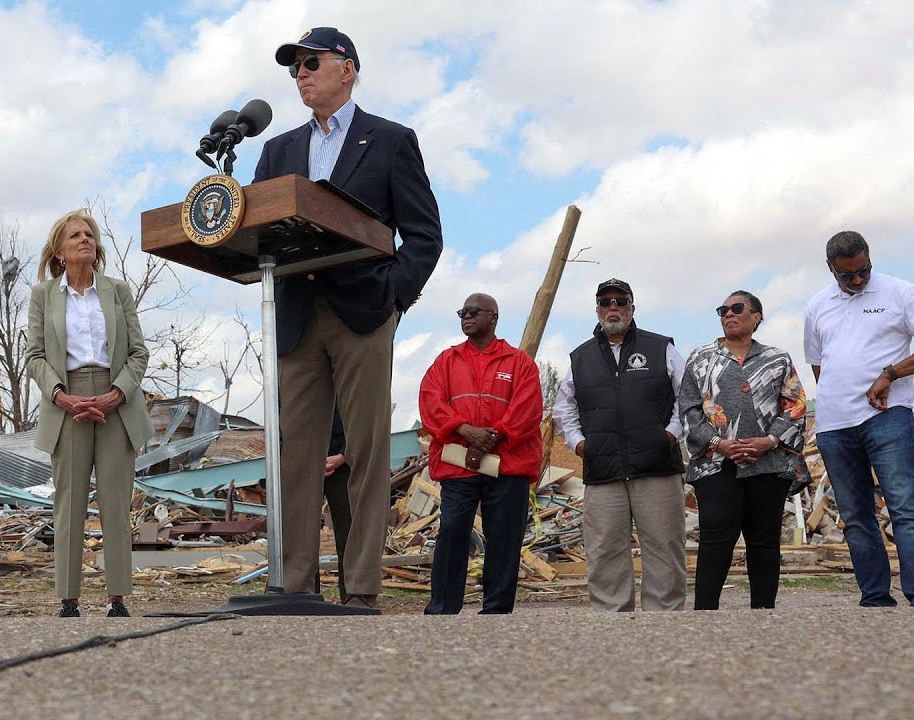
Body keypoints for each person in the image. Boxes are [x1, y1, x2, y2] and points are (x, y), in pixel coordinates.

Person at [252, 26, 443, 608]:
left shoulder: (389, 141)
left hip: (362, 313)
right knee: (294, 457)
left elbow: (425, 236)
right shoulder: (278, 150)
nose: (301, 74)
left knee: (365, 452)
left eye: (311, 62)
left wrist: (392, 299)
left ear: (347, 69)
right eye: (294, 68)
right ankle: (295, 586)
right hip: (295, 314)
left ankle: (360, 589)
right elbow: (259, 226)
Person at [804, 231, 914, 607]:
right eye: (847, 275)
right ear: (831, 269)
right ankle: (875, 599)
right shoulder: (816, 306)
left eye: (864, 271)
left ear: (869, 259)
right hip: (834, 426)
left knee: (904, 506)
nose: (858, 280)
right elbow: (818, 364)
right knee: (856, 516)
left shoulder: (900, 293)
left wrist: (892, 373)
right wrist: (836, 401)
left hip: (886, 418)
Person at [26, 209, 155, 618]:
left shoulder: (117, 291)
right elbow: (34, 357)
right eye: (75, 235)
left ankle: (117, 596)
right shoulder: (43, 295)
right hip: (67, 403)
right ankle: (68, 598)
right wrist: (61, 395)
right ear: (60, 252)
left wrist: (117, 393)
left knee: (116, 502)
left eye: (89, 235)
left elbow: (138, 352)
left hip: (116, 399)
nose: (85, 239)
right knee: (70, 502)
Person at [554, 278, 687, 612]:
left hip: (657, 465)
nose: (613, 308)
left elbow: (688, 398)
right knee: (605, 548)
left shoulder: (661, 348)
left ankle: (665, 618)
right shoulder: (579, 358)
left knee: (664, 546)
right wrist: (579, 444)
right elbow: (563, 407)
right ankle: (611, 621)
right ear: (597, 308)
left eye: (620, 301)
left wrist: (670, 434)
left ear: (632, 306)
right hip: (603, 469)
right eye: (605, 301)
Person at [679, 292, 808, 609]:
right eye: (723, 310)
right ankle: (705, 613)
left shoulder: (777, 360)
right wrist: (718, 443)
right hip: (716, 464)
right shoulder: (700, 359)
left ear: (757, 317)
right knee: (716, 536)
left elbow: (795, 405)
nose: (728, 314)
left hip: (769, 463)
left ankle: (763, 614)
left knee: (764, 540)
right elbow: (689, 410)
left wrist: (770, 441)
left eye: (737, 309)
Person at [419, 293, 542, 614]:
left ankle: (496, 610)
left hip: (508, 465)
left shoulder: (519, 362)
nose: (466, 316)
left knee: (503, 537)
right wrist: (466, 431)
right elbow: (431, 404)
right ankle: (443, 608)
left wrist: (493, 435)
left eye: (474, 311)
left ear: (494, 317)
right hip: (459, 466)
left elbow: (527, 410)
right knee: (452, 530)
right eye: (462, 311)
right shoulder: (445, 361)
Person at [322, 409, 352, 599]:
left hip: (344, 465)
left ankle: (352, 595)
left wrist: (344, 455)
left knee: (348, 535)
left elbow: (362, 422)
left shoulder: (348, 383)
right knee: (301, 535)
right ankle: (303, 594)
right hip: (304, 461)